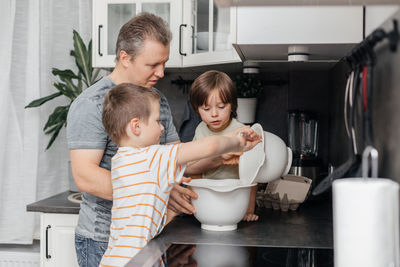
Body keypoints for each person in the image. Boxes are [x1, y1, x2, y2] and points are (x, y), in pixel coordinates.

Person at [66, 13, 218, 266]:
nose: (161, 72)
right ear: (125, 58)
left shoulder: (157, 100)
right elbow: (86, 176)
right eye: (152, 64)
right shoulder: (92, 103)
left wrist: (218, 157)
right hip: (103, 240)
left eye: (164, 62)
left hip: (151, 234)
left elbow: (174, 159)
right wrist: (156, 195)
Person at [99, 83, 261, 266]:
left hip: (116, 259)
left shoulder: (121, 160)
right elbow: (210, 146)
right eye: (158, 121)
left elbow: (147, 215)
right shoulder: (152, 156)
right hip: (135, 262)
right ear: (136, 127)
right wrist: (237, 142)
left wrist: (172, 209)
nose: (162, 128)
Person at [189, 70, 259, 221]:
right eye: (206, 109)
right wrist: (194, 203)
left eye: (221, 107)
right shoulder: (200, 129)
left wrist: (248, 210)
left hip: (236, 195)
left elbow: (252, 175)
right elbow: (194, 169)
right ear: (197, 109)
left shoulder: (241, 131)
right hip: (207, 195)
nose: (214, 114)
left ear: (232, 105)